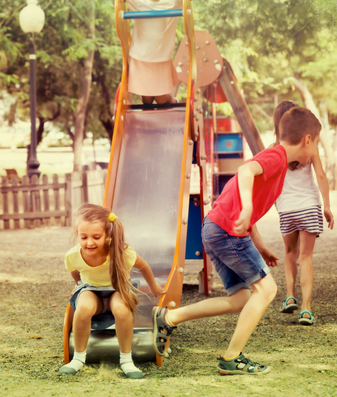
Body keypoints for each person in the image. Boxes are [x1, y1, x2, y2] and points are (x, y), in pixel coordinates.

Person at [152, 106, 322, 376]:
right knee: (266, 291)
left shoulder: (277, 162)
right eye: (317, 145)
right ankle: (232, 357)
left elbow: (249, 205)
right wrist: (244, 210)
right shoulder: (277, 156)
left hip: (217, 228)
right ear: (308, 140)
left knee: (241, 299)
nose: (315, 152)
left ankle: (169, 317)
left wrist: (261, 246)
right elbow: (244, 172)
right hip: (226, 231)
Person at [59, 203, 165, 379]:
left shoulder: (121, 251)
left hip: (117, 288)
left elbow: (143, 266)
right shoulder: (73, 255)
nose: (89, 242)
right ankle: (78, 358)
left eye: (96, 237)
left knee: (122, 309)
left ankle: (126, 359)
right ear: (77, 234)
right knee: (83, 308)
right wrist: (78, 284)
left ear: (107, 235)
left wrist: (154, 286)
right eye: (83, 237)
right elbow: (75, 270)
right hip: (91, 290)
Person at [273, 101, 334, 325]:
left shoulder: (275, 149)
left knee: (290, 252)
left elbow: (272, 183)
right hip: (308, 206)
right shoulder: (310, 147)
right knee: (305, 257)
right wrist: (326, 205)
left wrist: (277, 206)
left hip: (286, 208)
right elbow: (320, 175)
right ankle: (306, 310)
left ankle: (290, 296)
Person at [114, 0, 194, 105]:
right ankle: (149, 124)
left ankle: (172, 102)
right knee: (146, 99)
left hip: (160, 56)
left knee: (161, 98)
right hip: (140, 56)